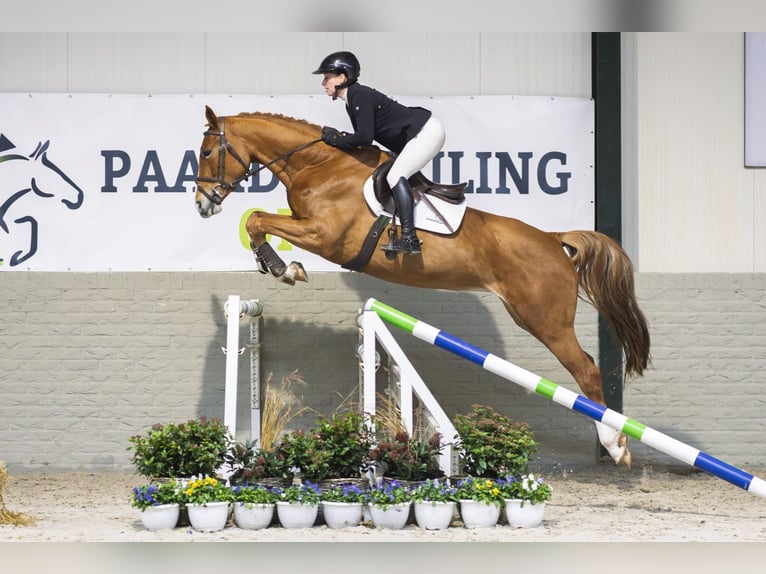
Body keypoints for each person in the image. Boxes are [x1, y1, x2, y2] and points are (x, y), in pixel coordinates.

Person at [312, 51, 446, 255]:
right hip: (419, 135)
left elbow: (364, 137)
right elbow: (364, 137)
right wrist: (341, 138)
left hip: (426, 132)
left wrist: (336, 139)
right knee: (394, 175)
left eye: (327, 77)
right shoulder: (352, 99)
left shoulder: (359, 95)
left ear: (342, 77)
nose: (323, 83)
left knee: (395, 176)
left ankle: (409, 238)